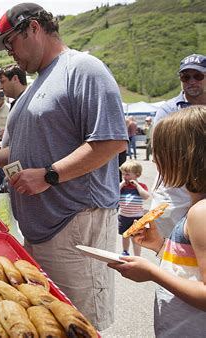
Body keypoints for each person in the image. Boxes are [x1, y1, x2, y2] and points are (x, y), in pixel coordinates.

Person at [0, 3, 128, 329]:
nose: (10, 53)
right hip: (40, 230)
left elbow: (111, 142)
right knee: (50, 323)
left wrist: (49, 175)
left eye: (10, 43)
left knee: (78, 325)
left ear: (33, 28)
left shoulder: (83, 69)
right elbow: (23, 150)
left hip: (75, 225)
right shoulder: (38, 84)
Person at [109, 106, 206, 337]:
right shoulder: (196, 208)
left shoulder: (200, 213)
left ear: (185, 156)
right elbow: (191, 268)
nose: (154, 159)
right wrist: (161, 246)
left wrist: (152, 273)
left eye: (161, 151)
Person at [150, 53, 206, 238]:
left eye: (198, 76)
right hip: (175, 189)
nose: (191, 81)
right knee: (174, 249)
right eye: (185, 76)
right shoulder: (167, 110)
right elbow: (159, 153)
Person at [118, 160, 150, 256]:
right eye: (123, 174)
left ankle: (137, 256)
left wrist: (137, 185)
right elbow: (115, 193)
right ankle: (125, 251)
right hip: (123, 216)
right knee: (125, 236)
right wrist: (122, 184)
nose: (124, 177)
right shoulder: (122, 187)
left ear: (137, 175)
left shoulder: (141, 186)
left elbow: (146, 196)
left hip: (136, 217)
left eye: (127, 174)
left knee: (136, 237)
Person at [0, 64, 27, 148]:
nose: (1, 87)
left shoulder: (28, 103)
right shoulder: (19, 102)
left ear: (15, 79)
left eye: (3, 81)